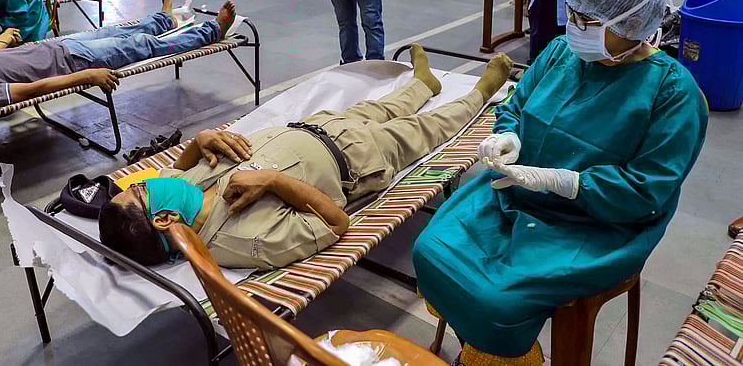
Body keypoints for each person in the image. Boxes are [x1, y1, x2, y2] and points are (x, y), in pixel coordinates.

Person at [413, 0, 708, 366]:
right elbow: (515, 107)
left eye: (586, 20)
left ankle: (506, 353)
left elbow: (648, 190)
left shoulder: (673, 92)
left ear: (632, 24)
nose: (573, 26)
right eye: (572, 15)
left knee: (497, 298)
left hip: (597, 223)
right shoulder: (560, 54)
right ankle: (478, 345)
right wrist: (507, 136)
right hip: (512, 193)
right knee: (431, 248)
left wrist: (567, 183)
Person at [99, 46, 512, 269]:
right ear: (163, 220)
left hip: (315, 127)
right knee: (426, 129)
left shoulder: (179, 193)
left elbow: (177, 165)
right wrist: (274, 182)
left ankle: (421, 85)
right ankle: (479, 94)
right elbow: (335, 221)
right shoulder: (244, 241)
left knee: (382, 106)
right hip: (358, 161)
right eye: (137, 191)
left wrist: (201, 139)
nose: (141, 182)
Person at [0, 0, 237, 117]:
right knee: (143, 47)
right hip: (72, 62)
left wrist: (2, 38)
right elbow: (30, 90)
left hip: (58, 45)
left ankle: (165, 17)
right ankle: (212, 31)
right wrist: (86, 77)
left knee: (122, 31)